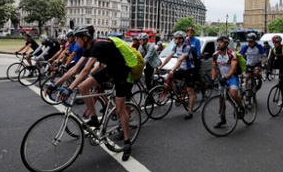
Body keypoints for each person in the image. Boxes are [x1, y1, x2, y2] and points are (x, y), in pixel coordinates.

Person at [53, 25, 137, 161]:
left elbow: (85, 70)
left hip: (122, 73)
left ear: (85, 38)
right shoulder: (88, 47)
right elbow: (74, 69)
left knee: (120, 108)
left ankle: (127, 143)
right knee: (82, 87)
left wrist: (69, 89)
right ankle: (94, 118)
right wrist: (55, 85)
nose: (75, 40)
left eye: (77, 38)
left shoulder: (98, 46)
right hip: (110, 70)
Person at [156, 31, 197, 120]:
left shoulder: (187, 48)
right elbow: (168, 58)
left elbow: (180, 60)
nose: (174, 40)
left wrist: (172, 70)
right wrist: (160, 67)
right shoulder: (175, 47)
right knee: (168, 77)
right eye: (174, 38)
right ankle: (178, 94)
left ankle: (190, 112)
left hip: (190, 70)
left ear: (181, 39)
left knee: (190, 91)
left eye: (176, 38)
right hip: (182, 70)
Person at [211, 35, 244, 128]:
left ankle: (241, 107)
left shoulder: (231, 54)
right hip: (222, 78)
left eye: (221, 42)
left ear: (226, 44)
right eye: (218, 42)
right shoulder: (215, 55)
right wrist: (212, 79)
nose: (219, 44)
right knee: (221, 99)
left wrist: (226, 77)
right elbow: (214, 68)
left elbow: (233, 69)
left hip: (232, 77)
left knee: (233, 94)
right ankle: (222, 119)